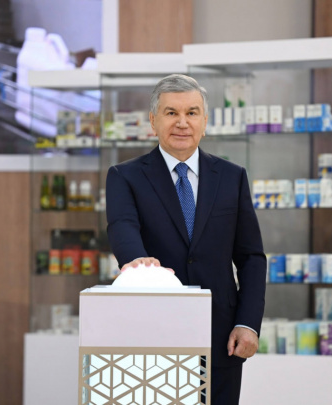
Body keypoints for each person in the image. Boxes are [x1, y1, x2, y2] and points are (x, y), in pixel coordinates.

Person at [106, 74, 267, 404]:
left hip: (221, 337)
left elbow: (251, 257)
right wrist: (137, 264)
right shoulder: (125, 176)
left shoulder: (232, 177)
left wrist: (248, 324)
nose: (182, 122)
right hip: (152, 334)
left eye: (192, 113)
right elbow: (122, 227)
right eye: (171, 113)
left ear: (204, 122)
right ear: (153, 121)